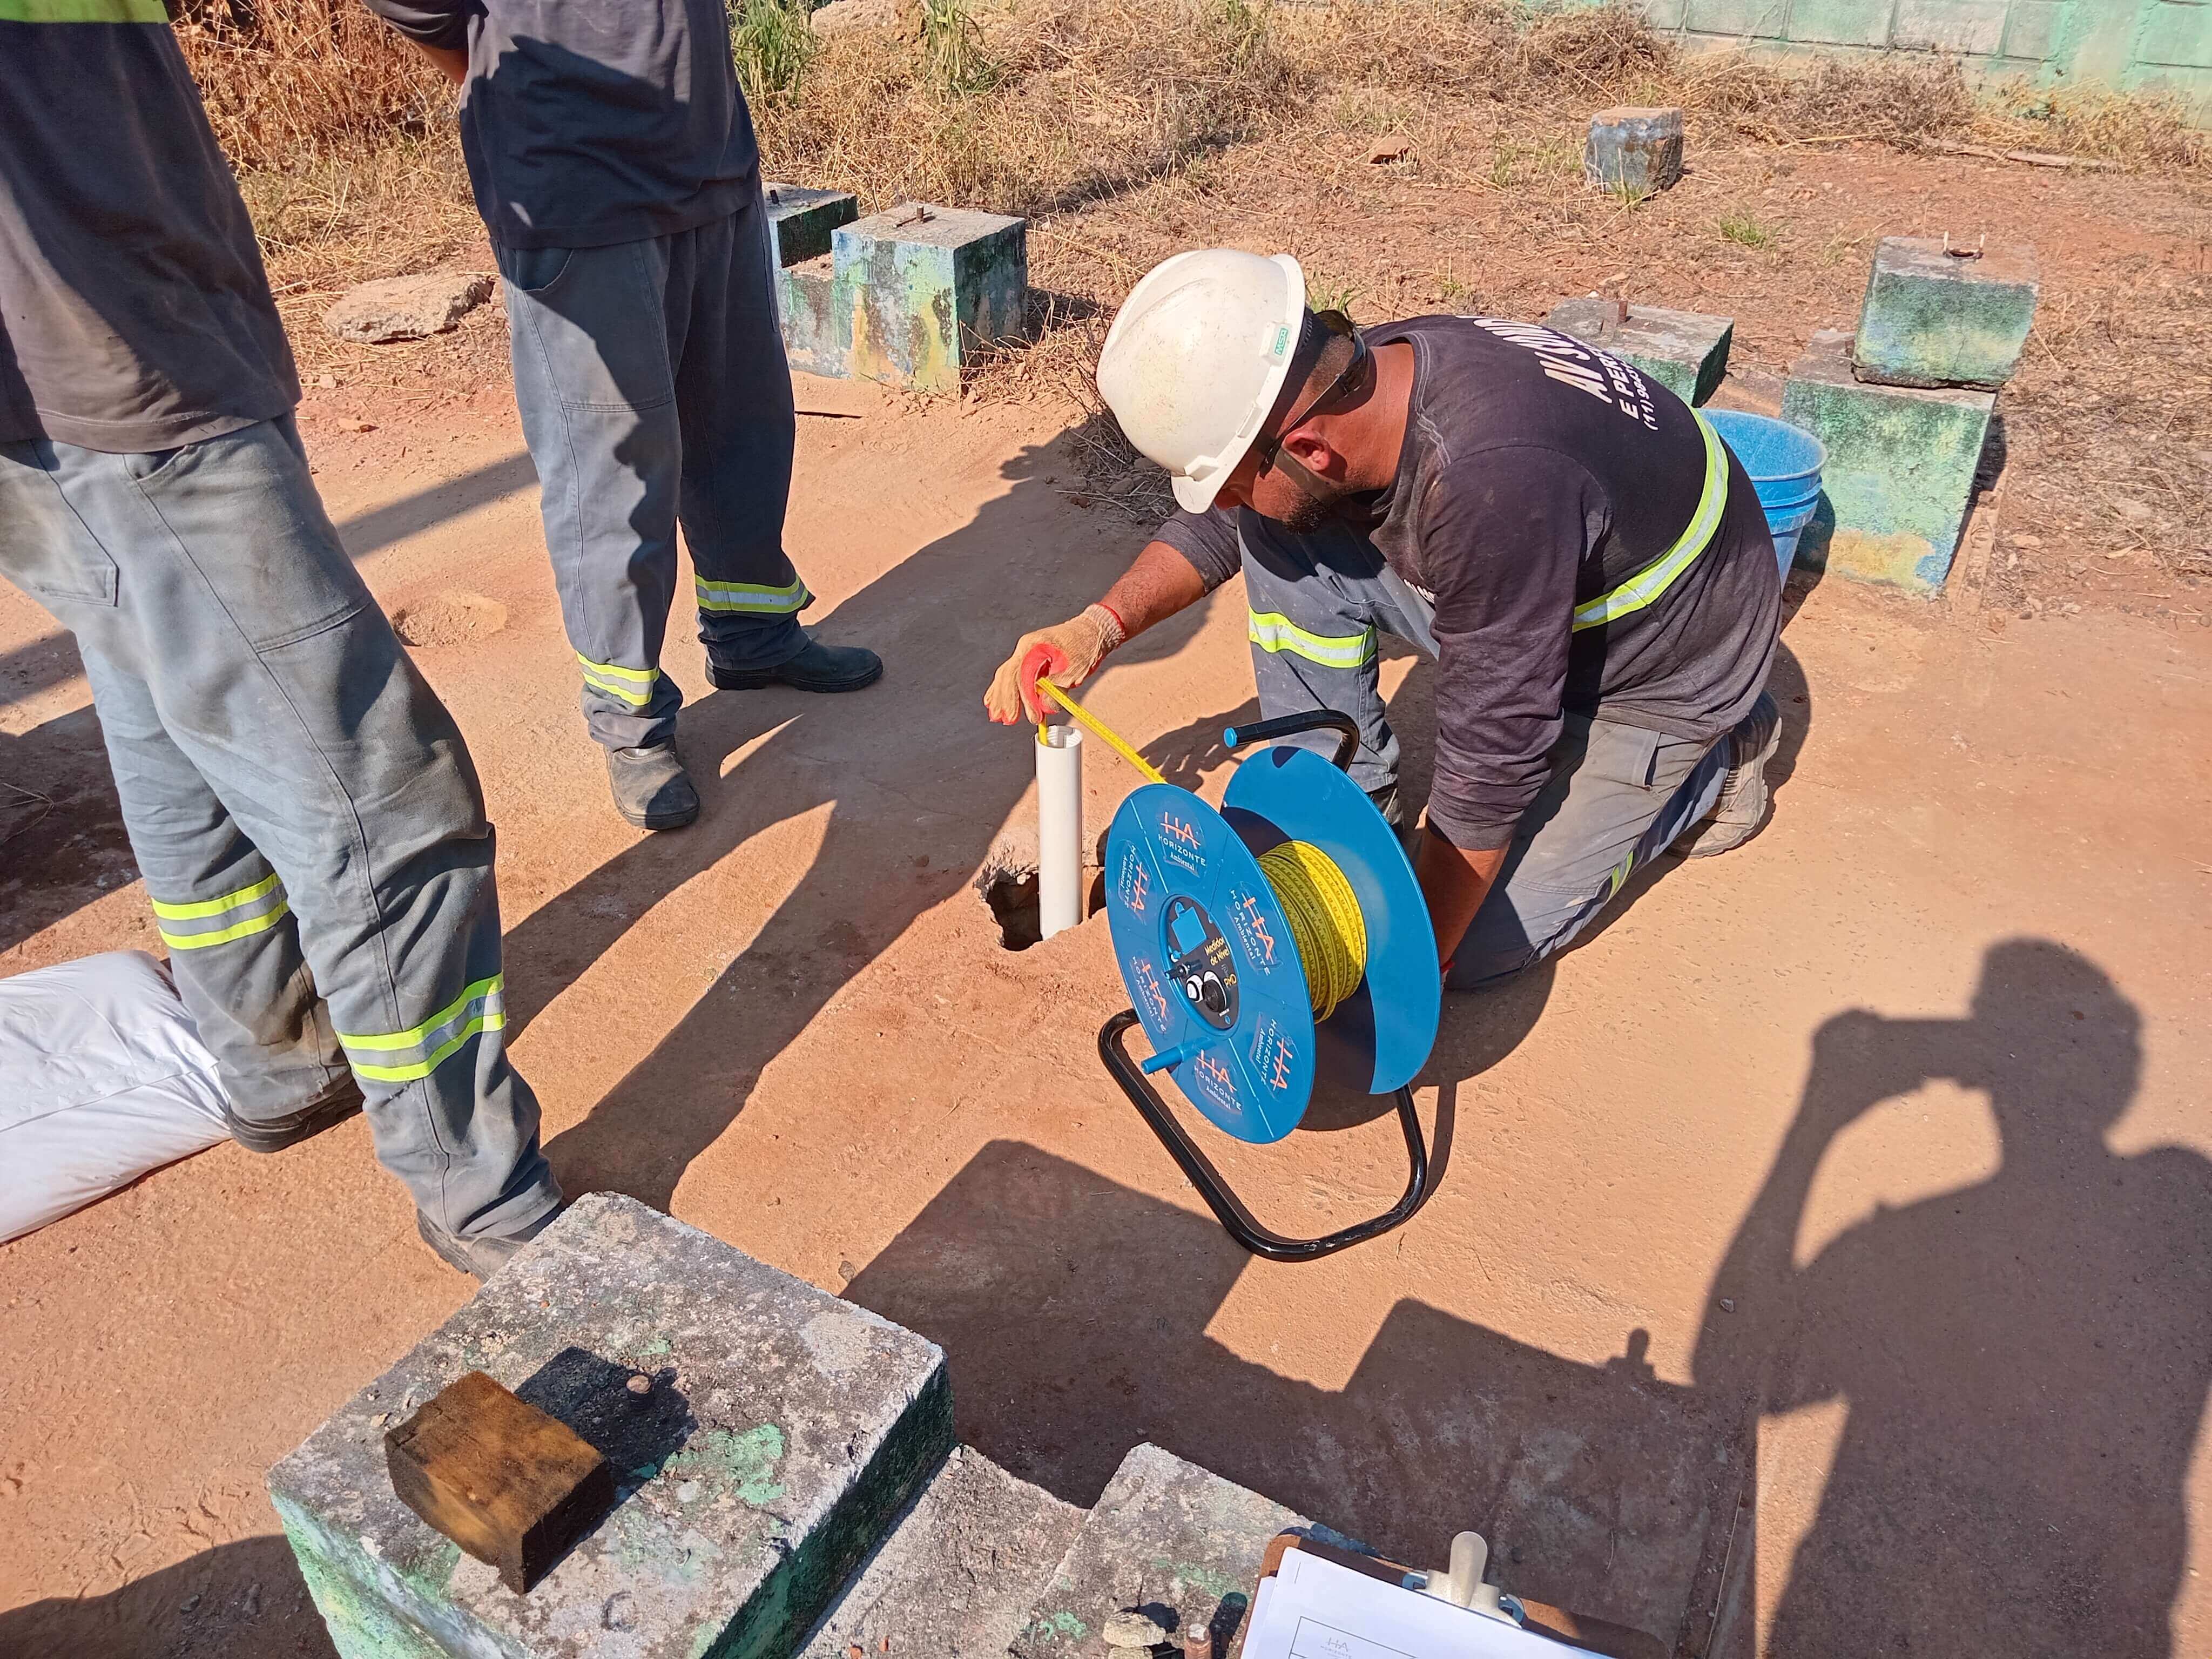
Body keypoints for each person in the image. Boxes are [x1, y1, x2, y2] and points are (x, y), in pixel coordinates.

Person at [0, 6, 559, 1277]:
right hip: (118, 358)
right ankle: (484, 1198)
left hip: (57, 382)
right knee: (382, 796)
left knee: (167, 723)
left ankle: (273, 1061)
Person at [985, 251, 1783, 989]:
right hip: (1558, 572)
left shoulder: (1488, 488)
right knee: (1278, 524)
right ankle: (1344, 800)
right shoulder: (1356, 380)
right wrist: (1099, 625)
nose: (1223, 505)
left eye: (1225, 482)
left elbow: (1495, 757)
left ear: (1308, 448)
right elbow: (1226, 527)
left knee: (1471, 946)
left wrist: (1407, 964)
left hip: (1661, 661)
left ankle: (1716, 760)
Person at [364, 0, 882, 833]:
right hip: (575, 186)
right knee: (613, 476)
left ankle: (753, 636)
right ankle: (632, 726)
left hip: (709, 162)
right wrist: (503, 82)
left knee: (742, 428)